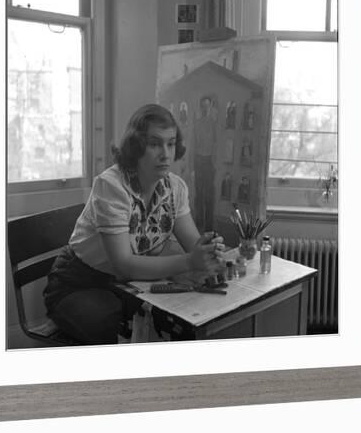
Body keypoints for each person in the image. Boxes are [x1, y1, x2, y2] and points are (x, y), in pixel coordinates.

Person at [43, 104, 225, 345]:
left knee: (175, 322)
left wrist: (209, 251)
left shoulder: (175, 187)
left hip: (129, 285)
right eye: (154, 144)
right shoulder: (111, 186)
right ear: (136, 145)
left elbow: (193, 245)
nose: (166, 154)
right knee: (120, 329)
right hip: (78, 283)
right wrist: (191, 262)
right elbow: (125, 264)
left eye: (171, 143)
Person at [193, 95, 217, 232]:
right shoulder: (197, 123)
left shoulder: (214, 124)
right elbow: (193, 144)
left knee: (209, 194)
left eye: (207, 106)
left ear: (210, 107)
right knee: (199, 193)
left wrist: (214, 162)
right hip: (198, 159)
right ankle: (198, 224)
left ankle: (209, 226)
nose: (205, 109)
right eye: (203, 106)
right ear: (200, 107)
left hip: (209, 161)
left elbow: (216, 143)